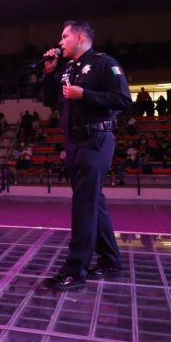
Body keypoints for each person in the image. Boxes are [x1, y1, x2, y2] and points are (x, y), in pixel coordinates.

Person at [41, 20, 131, 290]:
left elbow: (123, 99)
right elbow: (51, 101)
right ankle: (111, 260)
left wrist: (85, 94)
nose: (60, 42)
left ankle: (74, 271)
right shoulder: (69, 68)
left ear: (79, 37)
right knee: (92, 201)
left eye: (64, 36)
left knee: (83, 204)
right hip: (74, 141)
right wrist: (49, 74)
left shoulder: (105, 63)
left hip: (96, 139)